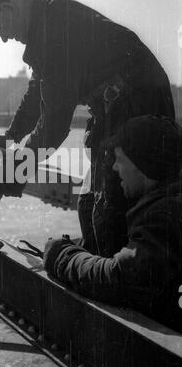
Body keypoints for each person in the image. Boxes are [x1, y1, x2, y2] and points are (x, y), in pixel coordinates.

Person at [0, 0, 175, 256]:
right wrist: (10, 138)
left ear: (8, 9)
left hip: (139, 109)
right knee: (90, 205)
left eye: (0, 29)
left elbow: (54, 126)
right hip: (119, 107)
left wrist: (15, 169)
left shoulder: (54, 31)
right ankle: (99, 270)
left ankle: (111, 281)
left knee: (108, 211)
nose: (5, 38)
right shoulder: (47, 23)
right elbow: (36, 97)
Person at [43, 115, 182, 331]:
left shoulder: (164, 215)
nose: (115, 168)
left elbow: (121, 280)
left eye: (120, 159)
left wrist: (63, 257)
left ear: (142, 164)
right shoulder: (171, 198)